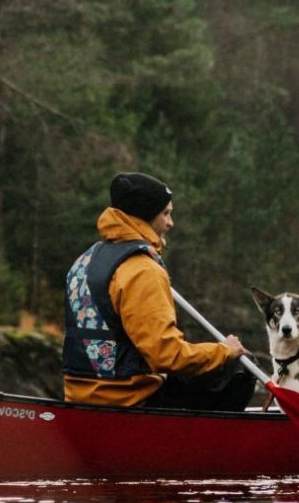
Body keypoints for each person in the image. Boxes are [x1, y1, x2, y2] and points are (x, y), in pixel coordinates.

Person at [63, 172, 255, 412]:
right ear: (144, 216)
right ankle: (207, 445)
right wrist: (224, 351)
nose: (170, 223)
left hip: (79, 396)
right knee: (240, 367)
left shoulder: (84, 261)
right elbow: (166, 356)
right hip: (128, 400)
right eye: (166, 213)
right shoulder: (143, 271)